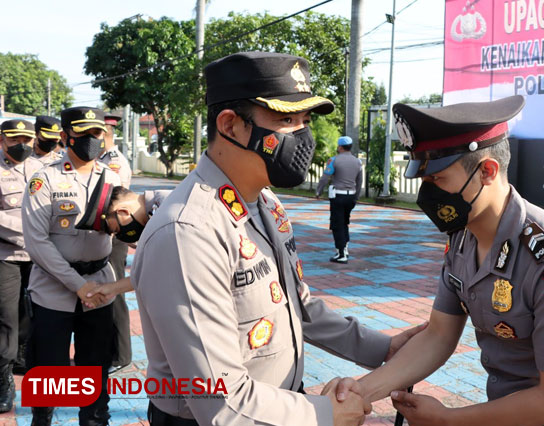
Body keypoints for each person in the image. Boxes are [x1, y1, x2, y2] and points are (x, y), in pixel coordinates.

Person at [130, 51, 424, 426]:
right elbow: (221, 405)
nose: (303, 136)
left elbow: (297, 307)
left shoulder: (265, 202)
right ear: (231, 125)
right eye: (286, 120)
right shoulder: (189, 233)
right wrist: (324, 414)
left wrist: (382, 347)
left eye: (305, 120)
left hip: (281, 407)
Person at [332, 96, 544, 426]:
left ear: (487, 172)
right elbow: (438, 335)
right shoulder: (462, 237)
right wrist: (360, 392)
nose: (427, 194)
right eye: (423, 180)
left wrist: (450, 420)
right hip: (502, 413)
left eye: (437, 180)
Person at [21, 107, 122, 426]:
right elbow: (36, 242)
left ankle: (94, 419)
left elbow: (127, 224)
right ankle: (43, 418)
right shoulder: (45, 179)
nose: (92, 140)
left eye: (97, 133)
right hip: (53, 292)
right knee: (49, 369)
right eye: (84, 133)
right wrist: (77, 285)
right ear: (66, 136)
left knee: (95, 367)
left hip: (100, 288)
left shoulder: (112, 178)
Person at [0, 119, 44, 412]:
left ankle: (22, 360)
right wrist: (28, 232)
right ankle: (3, 379)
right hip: (6, 254)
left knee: (33, 311)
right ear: (2, 139)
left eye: (27, 140)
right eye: (16, 139)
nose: (23, 145)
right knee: (6, 318)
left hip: (37, 256)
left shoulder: (39, 169)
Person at [98, 113, 133, 373]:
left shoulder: (114, 163)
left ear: (103, 136)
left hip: (114, 235)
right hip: (104, 235)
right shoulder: (101, 160)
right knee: (108, 290)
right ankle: (111, 349)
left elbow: (114, 202)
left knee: (115, 291)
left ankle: (121, 355)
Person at [316, 136, 362, 264]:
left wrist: (318, 191)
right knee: (345, 222)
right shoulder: (357, 162)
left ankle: (341, 253)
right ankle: (345, 249)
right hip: (351, 197)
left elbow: (325, 178)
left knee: (337, 224)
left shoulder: (333, 160)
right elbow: (359, 181)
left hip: (338, 196)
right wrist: (356, 197)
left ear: (340, 147)